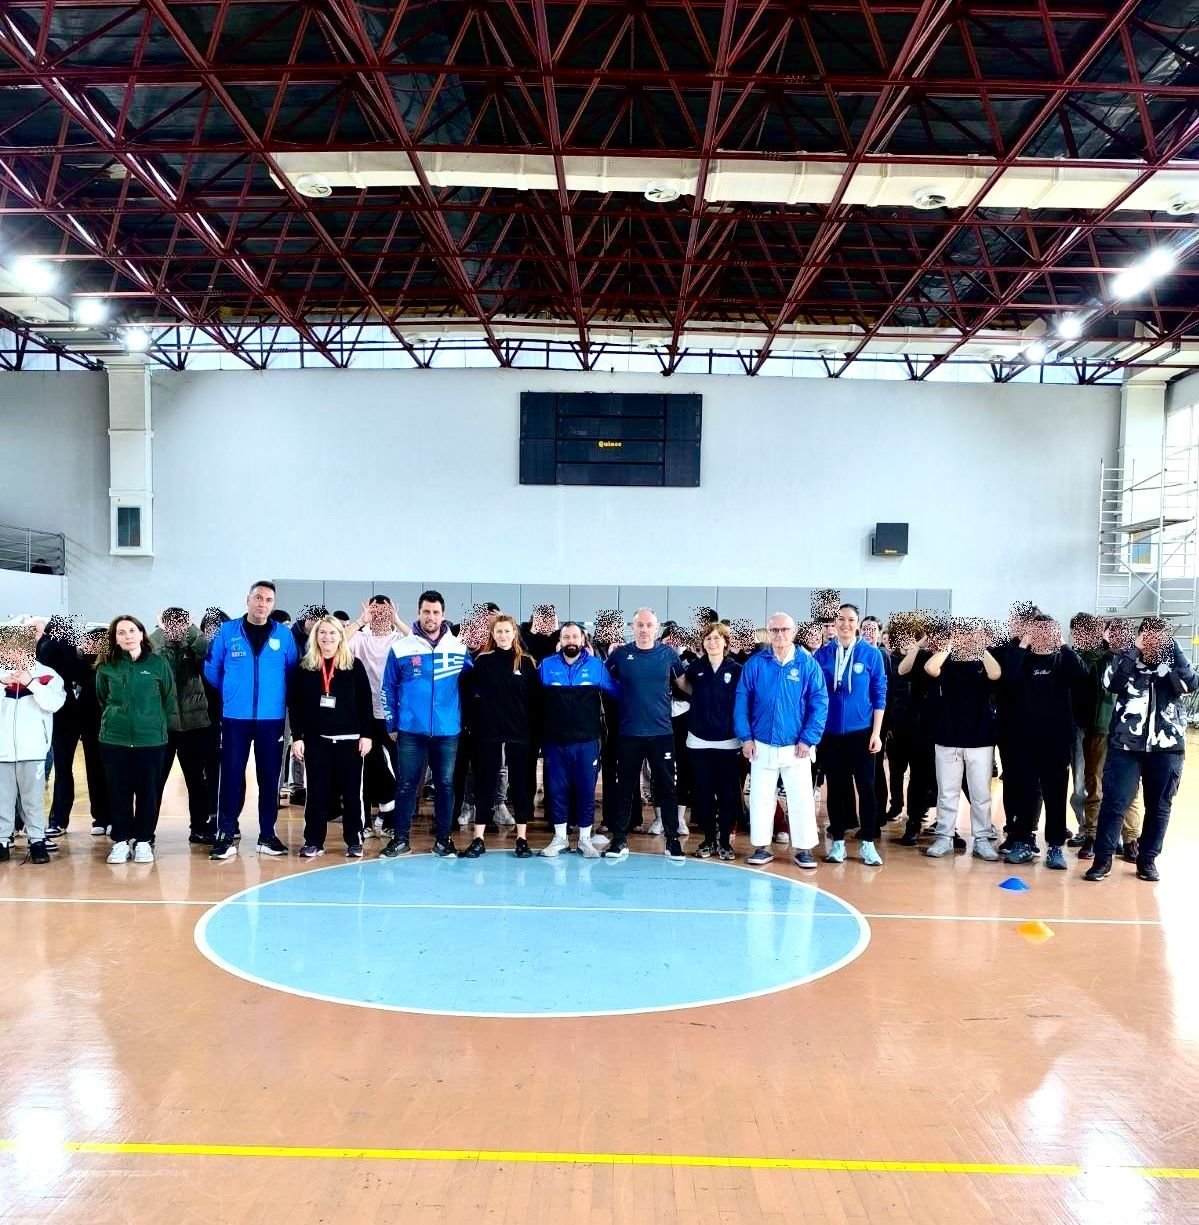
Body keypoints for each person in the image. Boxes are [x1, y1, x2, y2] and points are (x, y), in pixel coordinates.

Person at [1084, 617, 1197, 883]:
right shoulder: (1125, 658)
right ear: (1140, 636)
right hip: (1126, 746)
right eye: (1149, 635)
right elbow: (1112, 684)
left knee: (1159, 805)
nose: (1154, 640)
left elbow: (1191, 684)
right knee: (1115, 802)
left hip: (1167, 747)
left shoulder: (1173, 661)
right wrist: (1134, 650)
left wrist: (1174, 649)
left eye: (1161, 636)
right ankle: (1103, 859)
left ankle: (1147, 860)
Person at [203, 581, 299, 861]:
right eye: (258, 598)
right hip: (236, 718)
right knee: (231, 775)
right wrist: (232, 692)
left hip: (272, 719)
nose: (262, 604)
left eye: (268, 600)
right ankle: (225, 834)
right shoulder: (227, 631)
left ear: (273, 604)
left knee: (269, 778)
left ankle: (267, 835)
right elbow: (211, 669)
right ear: (248, 600)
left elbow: (291, 671)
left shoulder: (284, 635)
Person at [380, 590, 472, 859]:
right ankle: (400, 839)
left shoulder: (458, 648)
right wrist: (392, 723)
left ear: (443, 615)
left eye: (435, 612)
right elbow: (388, 687)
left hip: (447, 731)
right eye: (426, 612)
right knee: (407, 784)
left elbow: (471, 687)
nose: (431, 617)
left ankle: (444, 840)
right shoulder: (402, 648)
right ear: (418, 613)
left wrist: (465, 720)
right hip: (411, 730)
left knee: (445, 784)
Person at [733, 611, 828, 868]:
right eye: (774, 630)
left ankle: (804, 849)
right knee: (760, 798)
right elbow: (742, 701)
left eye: (784, 629)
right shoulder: (755, 664)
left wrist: (808, 738)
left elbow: (819, 703)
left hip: (796, 746)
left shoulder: (807, 664)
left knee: (801, 798)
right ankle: (761, 847)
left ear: (793, 632)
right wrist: (745, 737)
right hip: (761, 743)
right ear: (768, 632)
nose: (779, 634)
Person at [999, 615, 1088, 869]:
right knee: (1023, 794)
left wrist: (1062, 644)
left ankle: (1055, 847)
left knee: (1055, 796)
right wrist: (1022, 645)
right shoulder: (1022, 659)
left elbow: (1081, 673)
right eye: (1037, 630)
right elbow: (1009, 680)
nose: (1043, 634)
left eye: (1048, 630)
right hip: (1023, 741)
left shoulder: (1062, 660)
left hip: (1056, 742)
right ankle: (1022, 841)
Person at [603, 608, 687, 861]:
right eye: (639, 625)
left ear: (656, 628)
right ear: (633, 627)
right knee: (624, 787)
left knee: (666, 787)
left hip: (661, 733)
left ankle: (672, 841)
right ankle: (619, 840)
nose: (644, 629)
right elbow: (604, 681)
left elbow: (685, 685)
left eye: (649, 625)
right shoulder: (620, 655)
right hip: (629, 733)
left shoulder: (668, 654)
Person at [95, 615, 179, 864]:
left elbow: (168, 698)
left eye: (132, 630)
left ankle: (143, 840)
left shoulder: (158, 663)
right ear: (115, 638)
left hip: (151, 740)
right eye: (121, 632)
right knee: (118, 792)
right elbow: (102, 697)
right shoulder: (106, 666)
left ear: (142, 634)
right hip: (114, 740)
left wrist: (151, 721)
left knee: (148, 792)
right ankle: (121, 841)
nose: (128, 636)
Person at [288, 615, 374, 858]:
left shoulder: (354, 665)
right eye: (322, 632)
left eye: (332, 633)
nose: (327, 637)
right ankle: (313, 840)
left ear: (340, 637)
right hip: (317, 741)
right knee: (316, 793)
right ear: (316, 636)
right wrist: (297, 736)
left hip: (350, 741)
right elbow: (295, 705)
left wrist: (366, 735)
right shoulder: (304, 668)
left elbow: (365, 703)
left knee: (352, 793)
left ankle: (354, 839)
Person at [460, 614, 541, 859]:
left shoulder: (526, 662)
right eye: (499, 631)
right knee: (485, 783)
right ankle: (478, 839)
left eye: (507, 631)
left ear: (514, 633)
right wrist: (473, 722)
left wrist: (535, 735)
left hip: (520, 734)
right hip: (488, 733)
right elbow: (467, 690)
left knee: (520, 785)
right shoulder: (483, 661)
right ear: (493, 635)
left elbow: (536, 702)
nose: (503, 635)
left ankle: (521, 839)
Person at [813, 604, 888, 867]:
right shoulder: (822, 655)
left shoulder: (871, 654)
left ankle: (867, 842)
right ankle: (838, 842)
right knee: (835, 788)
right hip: (830, 734)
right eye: (841, 619)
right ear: (834, 623)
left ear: (857, 624)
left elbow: (879, 694)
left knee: (866, 787)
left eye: (851, 620)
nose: (845, 624)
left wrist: (876, 732)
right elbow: (813, 694)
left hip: (862, 733)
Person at [538, 621, 618, 855]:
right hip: (555, 741)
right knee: (557, 790)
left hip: (587, 741)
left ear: (583, 640)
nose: (571, 641)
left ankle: (585, 839)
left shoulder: (596, 666)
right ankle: (560, 838)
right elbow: (533, 698)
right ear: (560, 641)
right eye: (566, 637)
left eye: (575, 637)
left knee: (585, 790)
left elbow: (616, 693)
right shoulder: (546, 665)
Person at [923, 622, 1002, 860]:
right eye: (962, 634)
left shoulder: (984, 661)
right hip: (947, 735)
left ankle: (982, 839)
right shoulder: (946, 660)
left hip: (980, 737)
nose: (966, 639)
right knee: (947, 792)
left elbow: (996, 674)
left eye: (971, 634)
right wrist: (949, 645)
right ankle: (944, 836)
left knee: (980, 794)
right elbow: (930, 668)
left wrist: (979, 647)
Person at [1074, 618, 1143, 861]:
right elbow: (1084, 671)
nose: (1117, 637)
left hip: (1130, 733)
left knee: (1129, 788)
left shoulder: (1139, 659)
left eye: (1122, 632)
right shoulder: (1097, 658)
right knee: (1094, 783)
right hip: (1099, 728)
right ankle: (1092, 834)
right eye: (1112, 632)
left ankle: (1131, 838)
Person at [678, 622, 743, 859]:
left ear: (725, 642)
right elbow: (685, 688)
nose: (712, 642)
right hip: (698, 741)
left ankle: (724, 841)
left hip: (728, 741)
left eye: (717, 638)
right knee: (702, 793)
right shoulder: (695, 668)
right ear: (703, 643)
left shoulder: (737, 669)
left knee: (727, 794)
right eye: (708, 638)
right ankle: (708, 840)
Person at [0, 625, 64, 864]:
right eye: (9, 647)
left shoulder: (47, 674)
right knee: (2, 799)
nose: (15, 652)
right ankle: (2, 840)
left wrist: (32, 683)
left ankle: (36, 840)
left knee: (33, 799)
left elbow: (53, 704)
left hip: (33, 750)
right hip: (2, 751)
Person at [151, 608, 215, 845]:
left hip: (194, 725)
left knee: (196, 780)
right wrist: (164, 633)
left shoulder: (195, 643)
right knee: (155, 781)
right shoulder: (155, 643)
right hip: (163, 726)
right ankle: (146, 831)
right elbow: (159, 660)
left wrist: (190, 630)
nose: (176, 627)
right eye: (172, 623)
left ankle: (199, 827)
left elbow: (206, 651)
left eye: (182, 623)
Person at [346, 596, 407, 834]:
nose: (380, 615)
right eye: (375, 611)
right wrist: (361, 621)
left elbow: (419, 643)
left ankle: (391, 819)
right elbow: (337, 641)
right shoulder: (360, 638)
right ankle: (366, 823)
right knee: (365, 768)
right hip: (364, 713)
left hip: (392, 714)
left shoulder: (398, 639)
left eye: (385, 611)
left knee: (398, 768)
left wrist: (397, 620)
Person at [37, 616, 84, 838]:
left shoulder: (54, 647)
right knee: (56, 769)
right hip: (56, 712)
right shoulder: (58, 647)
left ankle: (55, 820)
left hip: (62, 713)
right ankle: (53, 820)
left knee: (59, 769)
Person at [77, 627, 111, 837]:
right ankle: (99, 816)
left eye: (90, 642)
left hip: (111, 728)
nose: (86, 645)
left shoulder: (110, 667)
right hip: (89, 729)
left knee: (112, 773)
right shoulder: (83, 666)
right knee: (94, 772)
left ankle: (115, 817)